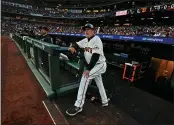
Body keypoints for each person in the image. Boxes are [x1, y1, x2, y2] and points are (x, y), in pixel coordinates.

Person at [66, 23, 108, 116]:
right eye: (85, 29)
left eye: (89, 29)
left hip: (100, 65)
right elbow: (76, 43)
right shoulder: (85, 40)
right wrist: (73, 46)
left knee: (85, 77)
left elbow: (95, 56)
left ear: (93, 31)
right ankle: (105, 101)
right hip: (95, 66)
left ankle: (78, 106)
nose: (87, 31)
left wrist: (88, 69)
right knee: (99, 82)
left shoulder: (97, 39)